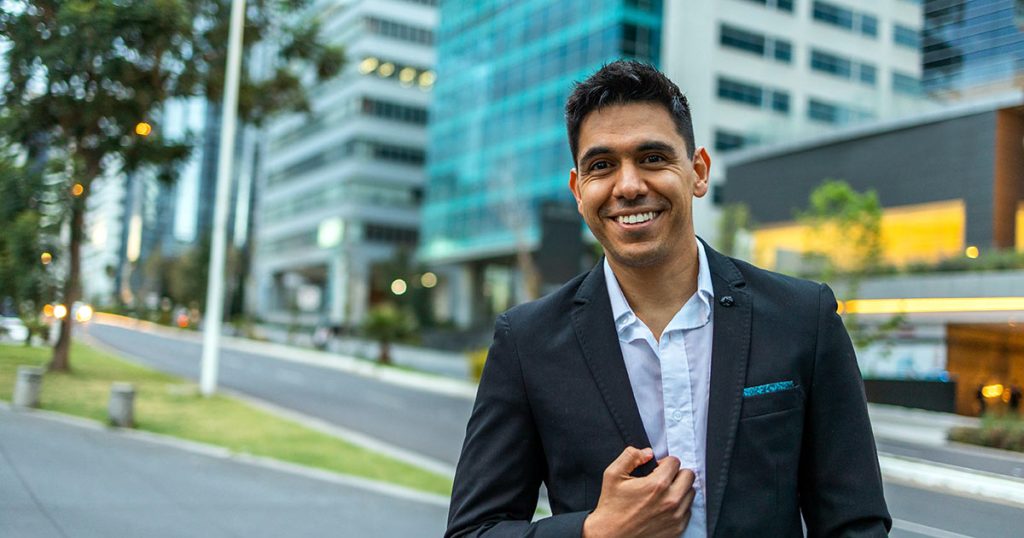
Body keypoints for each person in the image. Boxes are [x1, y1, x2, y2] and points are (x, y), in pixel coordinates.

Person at [446, 61, 891, 537]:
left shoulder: (804, 317)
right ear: (579, 190)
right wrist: (595, 532)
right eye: (601, 166)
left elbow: (855, 523)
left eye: (653, 158)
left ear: (698, 172)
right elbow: (474, 531)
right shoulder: (527, 342)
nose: (630, 186)